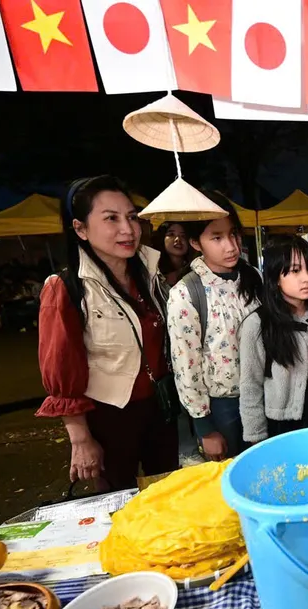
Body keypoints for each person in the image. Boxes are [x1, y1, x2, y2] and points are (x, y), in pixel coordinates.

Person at [36, 176, 178, 491]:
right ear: (80, 229)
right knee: (117, 501)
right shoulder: (65, 288)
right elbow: (62, 372)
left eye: (132, 217)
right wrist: (80, 439)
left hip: (161, 408)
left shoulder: (150, 273)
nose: (128, 229)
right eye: (111, 218)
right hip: (109, 418)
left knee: (167, 493)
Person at [166, 190, 261, 461]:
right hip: (223, 408)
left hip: (263, 397)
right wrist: (205, 428)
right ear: (195, 242)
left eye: (234, 234)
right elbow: (186, 365)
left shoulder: (253, 277)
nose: (231, 246)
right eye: (217, 238)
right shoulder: (186, 293)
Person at [239, 236, 308, 443]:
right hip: (282, 423)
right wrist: (256, 436)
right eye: (295, 270)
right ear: (275, 278)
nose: (307, 278)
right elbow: (250, 385)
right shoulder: (258, 323)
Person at [153, 221, 195, 287]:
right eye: (171, 234)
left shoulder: (196, 268)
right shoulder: (153, 269)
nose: (178, 239)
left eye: (183, 236)